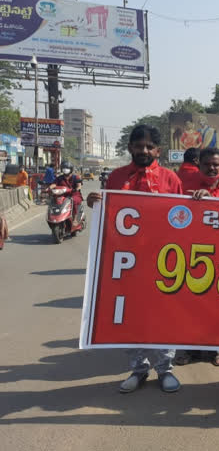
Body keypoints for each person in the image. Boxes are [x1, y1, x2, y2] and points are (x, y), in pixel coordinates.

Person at [86, 124, 183, 393]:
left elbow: (183, 218)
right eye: (139, 145)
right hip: (124, 261)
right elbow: (108, 213)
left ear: (158, 150)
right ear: (130, 148)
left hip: (161, 261)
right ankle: (138, 369)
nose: (144, 150)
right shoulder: (116, 177)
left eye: (149, 146)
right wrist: (97, 203)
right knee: (127, 315)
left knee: (162, 316)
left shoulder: (170, 179)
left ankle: (166, 369)